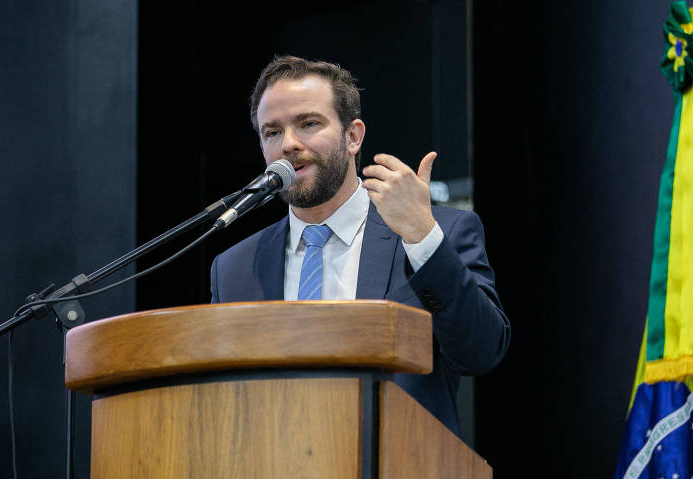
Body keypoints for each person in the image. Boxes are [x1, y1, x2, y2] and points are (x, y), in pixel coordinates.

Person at [210, 56, 509, 436]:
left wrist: (423, 239)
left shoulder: (439, 233)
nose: (288, 144)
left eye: (308, 124)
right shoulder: (234, 268)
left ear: (353, 136)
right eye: (272, 132)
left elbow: (482, 351)